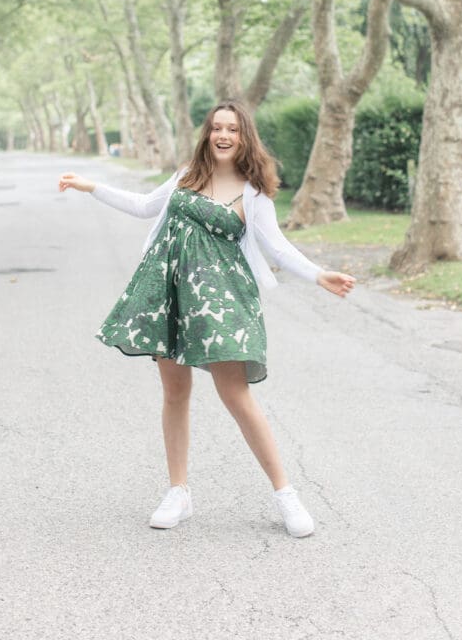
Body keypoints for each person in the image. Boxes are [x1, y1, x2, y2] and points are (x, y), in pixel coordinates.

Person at [58, 99, 355, 538]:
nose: (223, 135)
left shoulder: (253, 193)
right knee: (175, 391)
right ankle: (178, 491)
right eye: (217, 127)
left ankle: (286, 494)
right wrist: (91, 186)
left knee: (236, 396)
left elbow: (276, 248)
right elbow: (144, 206)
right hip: (169, 293)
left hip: (223, 300)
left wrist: (317, 274)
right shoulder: (186, 177)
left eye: (232, 129)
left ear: (244, 136)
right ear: (207, 133)